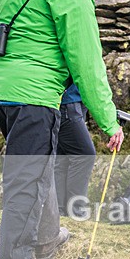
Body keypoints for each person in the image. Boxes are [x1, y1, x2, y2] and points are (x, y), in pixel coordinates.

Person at [0, 0, 123, 259]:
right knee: (25, 186)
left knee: (36, 173)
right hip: (35, 97)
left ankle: (46, 240)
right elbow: (88, 67)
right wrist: (109, 122)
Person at [55, 84, 96, 219]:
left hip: (71, 100)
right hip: (68, 102)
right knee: (84, 155)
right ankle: (76, 211)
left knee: (62, 158)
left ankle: (58, 211)